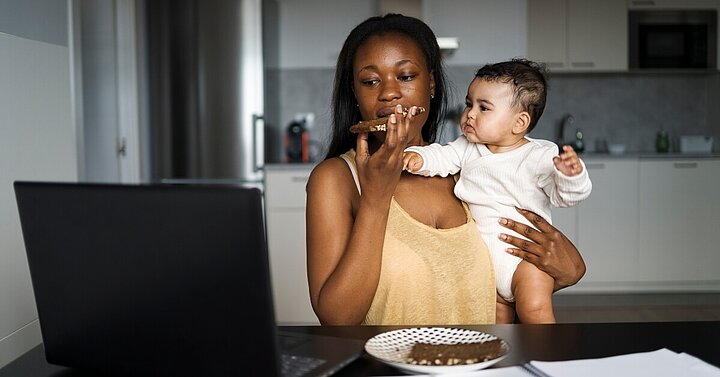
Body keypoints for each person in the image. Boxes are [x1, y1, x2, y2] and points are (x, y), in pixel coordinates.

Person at [305, 14, 586, 326]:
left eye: (406, 76)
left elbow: (540, 274)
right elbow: (337, 318)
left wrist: (571, 267)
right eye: (370, 81)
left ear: (432, 84)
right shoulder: (337, 179)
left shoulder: (469, 172)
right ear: (355, 95)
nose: (388, 93)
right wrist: (375, 199)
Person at [403, 59, 592, 324]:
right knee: (498, 327)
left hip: (527, 262)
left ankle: (550, 356)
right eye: (470, 103)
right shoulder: (467, 148)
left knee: (535, 311)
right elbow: (441, 157)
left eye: (484, 108)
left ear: (519, 123)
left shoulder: (539, 155)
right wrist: (418, 158)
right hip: (487, 267)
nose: (470, 114)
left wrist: (570, 176)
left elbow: (565, 196)